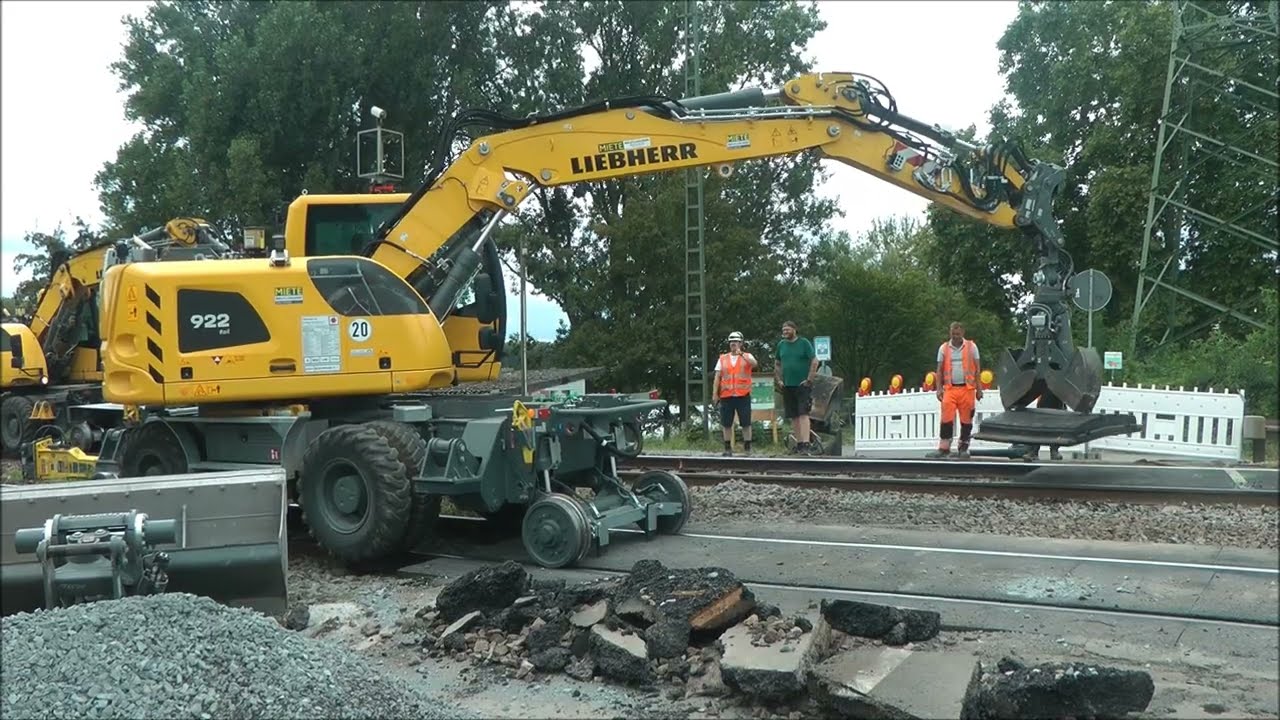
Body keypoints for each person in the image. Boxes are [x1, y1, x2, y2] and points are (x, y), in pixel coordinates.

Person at [928, 321, 983, 459]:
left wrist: (979, 389)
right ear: (950, 333)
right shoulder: (944, 348)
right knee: (946, 418)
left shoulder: (971, 347)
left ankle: (963, 447)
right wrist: (939, 388)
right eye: (953, 333)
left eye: (958, 334)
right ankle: (944, 448)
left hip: (967, 389)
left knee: (966, 420)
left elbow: (977, 369)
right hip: (950, 389)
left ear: (962, 333)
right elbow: (939, 370)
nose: (955, 336)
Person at [773, 320, 818, 454]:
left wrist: (809, 378)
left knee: (803, 413)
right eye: (783, 330)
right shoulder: (781, 345)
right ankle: (798, 443)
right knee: (794, 415)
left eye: (787, 329)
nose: (785, 332)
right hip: (787, 385)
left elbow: (814, 361)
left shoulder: (804, 343)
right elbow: (777, 363)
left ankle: (806, 443)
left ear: (794, 329)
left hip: (802, 385)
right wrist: (779, 380)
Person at [712, 331, 758, 456]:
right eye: (732, 342)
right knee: (726, 423)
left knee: (746, 422)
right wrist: (715, 394)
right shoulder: (723, 358)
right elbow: (717, 377)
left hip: (743, 394)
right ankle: (727, 448)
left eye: (736, 342)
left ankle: (747, 447)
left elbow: (755, 364)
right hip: (726, 395)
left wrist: (741, 354)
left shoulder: (747, 356)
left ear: (741, 343)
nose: (733, 344)